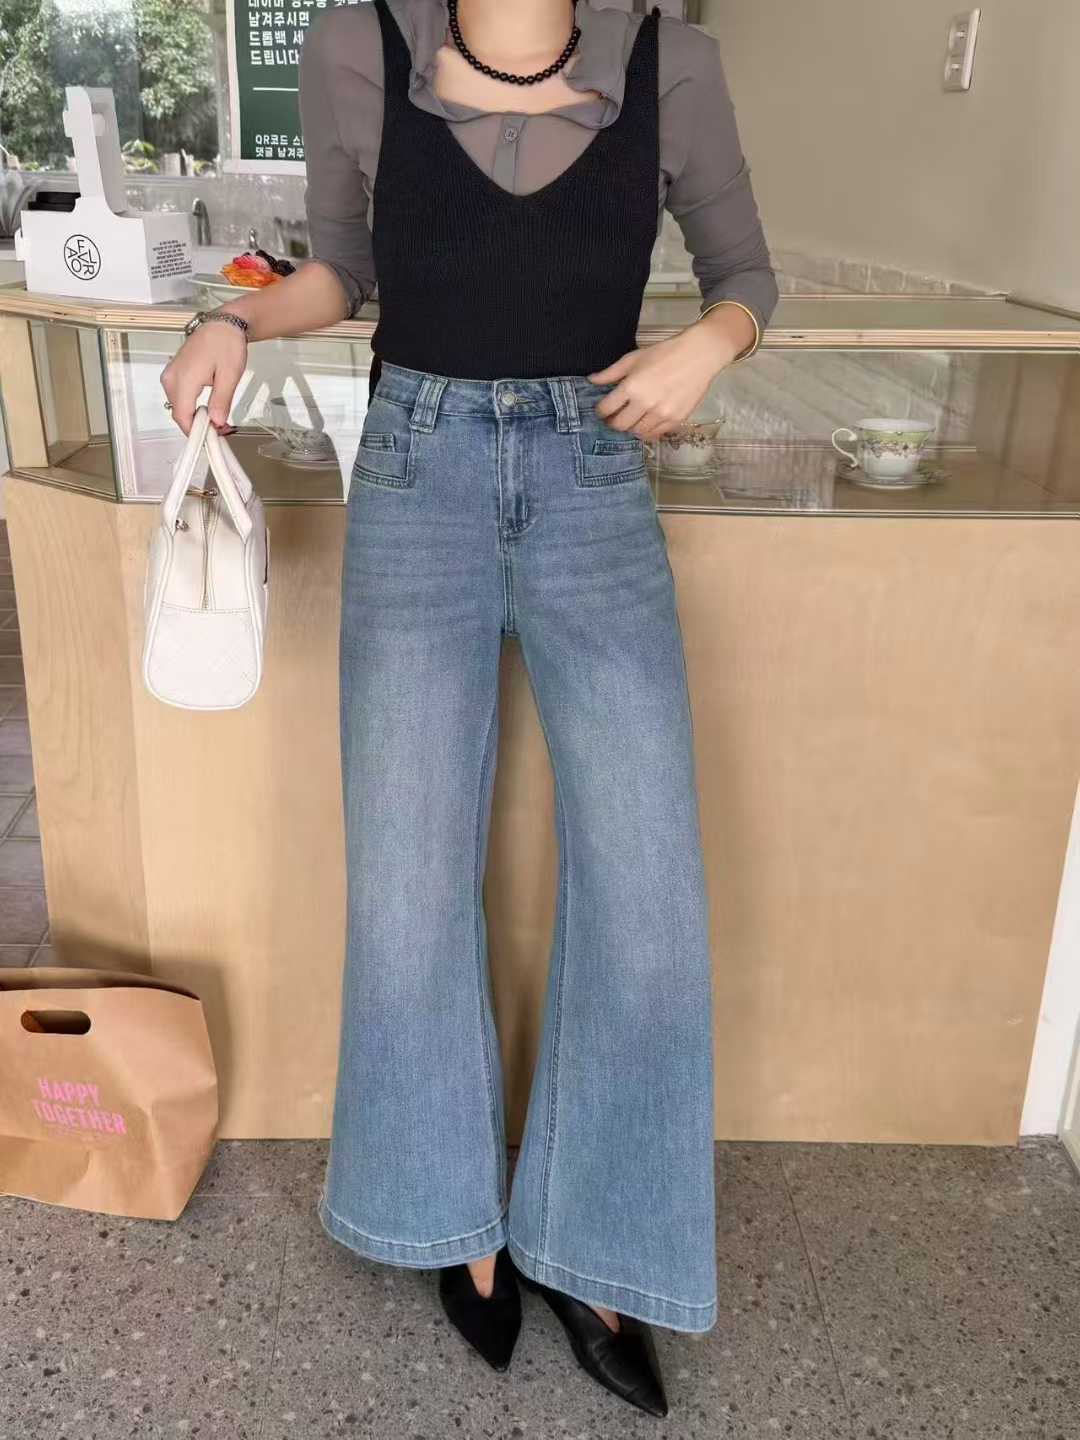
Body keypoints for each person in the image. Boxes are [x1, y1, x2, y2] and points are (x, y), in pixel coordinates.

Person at [161, 0, 778, 1418]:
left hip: (594, 477)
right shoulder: (355, 46)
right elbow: (344, 273)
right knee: (408, 876)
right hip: (416, 473)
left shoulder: (670, 59)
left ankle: (599, 1243)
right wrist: (232, 318)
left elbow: (745, 272)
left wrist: (711, 342)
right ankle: (450, 1218)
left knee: (647, 887)